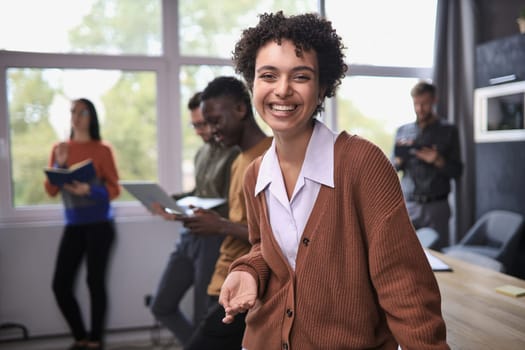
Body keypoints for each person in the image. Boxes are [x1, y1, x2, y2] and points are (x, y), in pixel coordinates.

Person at [219, 11, 450, 350]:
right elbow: (265, 249)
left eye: (300, 76)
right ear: (252, 83)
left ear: (322, 86)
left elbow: (404, 284)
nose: (282, 90)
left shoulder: (362, 164)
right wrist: (248, 269)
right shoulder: (255, 173)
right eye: (268, 75)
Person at [173, 76, 272, 350]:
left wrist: (221, 226)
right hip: (222, 278)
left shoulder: (269, 158)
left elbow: (273, 235)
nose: (212, 131)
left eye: (216, 121)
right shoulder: (238, 159)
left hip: (247, 281)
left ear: (241, 109)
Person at [148, 91, 240, 345]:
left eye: (203, 124)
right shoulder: (201, 154)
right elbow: (199, 194)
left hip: (214, 240)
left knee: (204, 316)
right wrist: (171, 202)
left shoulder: (234, 154)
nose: (199, 130)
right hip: (188, 236)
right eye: (195, 125)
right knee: (161, 305)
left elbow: (234, 205)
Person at [44, 98, 120, 350]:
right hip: (74, 226)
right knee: (60, 285)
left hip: (100, 225)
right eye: (73, 112)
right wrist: (61, 165)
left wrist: (90, 190)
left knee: (94, 283)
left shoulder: (102, 149)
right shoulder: (60, 148)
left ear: (92, 117)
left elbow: (114, 189)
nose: (76, 116)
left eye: (82, 112)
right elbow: (51, 190)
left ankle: (95, 340)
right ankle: (81, 337)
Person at [392, 81, 463, 250]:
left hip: (437, 207)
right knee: (404, 253)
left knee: (437, 257)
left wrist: (438, 160)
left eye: (424, 103)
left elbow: (457, 171)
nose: (419, 108)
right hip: (409, 205)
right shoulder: (402, 131)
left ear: (434, 101)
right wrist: (399, 160)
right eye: (416, 103)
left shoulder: (449, 130)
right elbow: (391, 167)